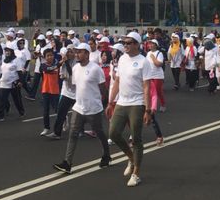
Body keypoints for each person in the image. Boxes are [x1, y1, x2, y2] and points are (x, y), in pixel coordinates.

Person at [53, 43, 112, 174]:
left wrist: (105, 103)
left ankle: (106, 155)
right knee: (73, 134)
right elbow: (75, 86)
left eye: (79, 52)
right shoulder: (75, 68)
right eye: (76, 52)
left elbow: (103, 89)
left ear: (87, 53)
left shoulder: (96, 69)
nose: (77, 54)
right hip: (78, 107)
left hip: (93, 109)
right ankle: (67, 163)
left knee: (100, 133)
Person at [107, 31, 151, 187]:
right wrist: (110, 101)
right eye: (124, 43)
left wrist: (148, 109)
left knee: (136, 139)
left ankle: (136, 173)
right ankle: (131, 158)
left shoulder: (143, 62)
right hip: (121, 102)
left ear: (137, 44)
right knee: (113, 132)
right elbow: (118, 81)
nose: (125, 45)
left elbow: (147, 87)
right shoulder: (122, 59)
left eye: (128, 43)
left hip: (137, 103)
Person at [38, 48, 60, 136]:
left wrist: (59, 64)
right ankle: (46, 128)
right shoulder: (43, 65)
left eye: (51, 55)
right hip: (45, 90)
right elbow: (48, 69)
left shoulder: (58, 64)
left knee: (56, 109)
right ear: (45, 57)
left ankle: (63, 119)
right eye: (48, 56)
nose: (50, 57)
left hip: (55, 90)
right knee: (45, 110)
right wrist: (59, 63)